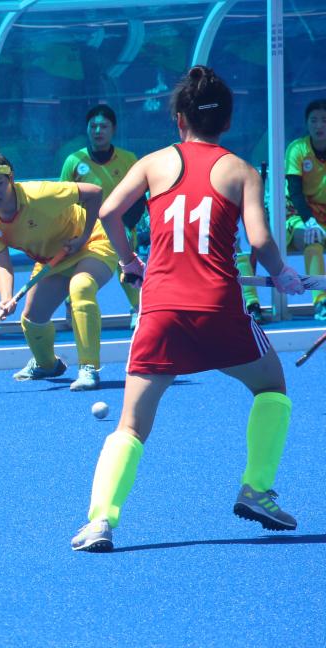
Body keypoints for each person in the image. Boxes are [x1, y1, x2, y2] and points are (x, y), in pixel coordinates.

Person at [71, 66, 306, 552]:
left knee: (131, 425)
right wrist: (283, 274)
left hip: (161, 311)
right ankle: (256, 489)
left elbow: (110, 212)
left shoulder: (153, 163)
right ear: (227, 121)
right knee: (271, 388)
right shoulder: (241, 171)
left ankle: (100, 522)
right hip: (219, 308)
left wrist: (129, 261)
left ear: (179, 119)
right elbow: (260, 240)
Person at [0, 152, 117, 391]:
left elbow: (94, 192)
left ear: (11, 179)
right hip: (53, 260)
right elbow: (2, 262)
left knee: (80, 288)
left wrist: (83, 237)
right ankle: (47, 365)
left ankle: (88, 367)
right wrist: (6, 297)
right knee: (32, 320)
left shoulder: (40, 194)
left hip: (91, 243)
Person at [60, 104, 148, 327]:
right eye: (93, 126)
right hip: (85, 230)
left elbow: (139, 196)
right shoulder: (74, 161)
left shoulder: (128, 159)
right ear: (87, 129)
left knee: (128, 264)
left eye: (104, 126)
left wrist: (126, 225)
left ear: (113, 129)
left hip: (120, 226)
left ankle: (139, 310)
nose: (98, 131)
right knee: (81, 270)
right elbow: (63, 198)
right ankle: (73, 304)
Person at [283, 99, 326, 321]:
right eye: (314, 120)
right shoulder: (297, 149)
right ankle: (321, 301)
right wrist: (309, 221)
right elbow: (295, 192)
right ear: (307, 123)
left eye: (324, 120)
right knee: (313, 240)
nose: (319, 125)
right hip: (300, 214)